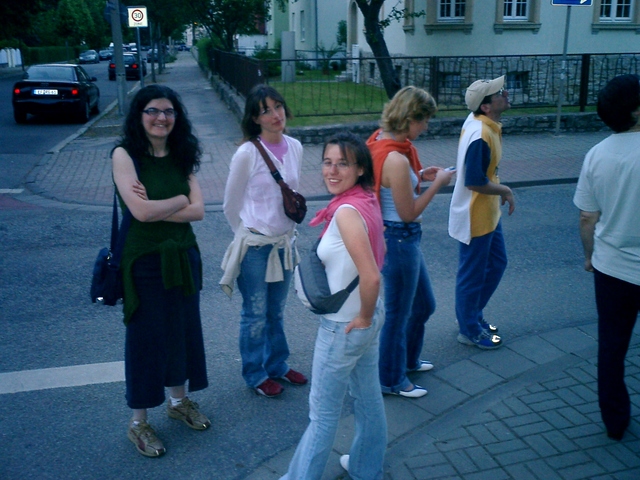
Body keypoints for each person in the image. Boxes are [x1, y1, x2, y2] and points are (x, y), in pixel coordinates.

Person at [111, 84, 210, 458]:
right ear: (139, 115)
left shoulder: (182, 152)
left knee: (182, 331)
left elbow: (199, 211)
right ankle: (138, 422)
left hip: (183, 257)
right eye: (152, 110)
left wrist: (162, 206)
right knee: (145, 341)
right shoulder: (125, 155)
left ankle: (178, 402)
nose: (161, 118)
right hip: (144, 262)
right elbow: (140, 212)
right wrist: (181, 198)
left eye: (168, 111)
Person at [282, 132, 387, 480]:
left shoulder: (346, 212)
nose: (332, 170)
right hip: (365, 319)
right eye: (327, 162)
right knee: (368, 400)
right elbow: (378, 258)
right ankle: (365, 469)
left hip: (345, 326)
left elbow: (371, 276)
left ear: (360, 168)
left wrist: (363, 318)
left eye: (343, 163)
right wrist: (368, 318)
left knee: (323, 416)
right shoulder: (366, 199)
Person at [366, 86, 455, 398]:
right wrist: (438, 184)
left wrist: (420, 174)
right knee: (398, 314)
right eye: (424, 120)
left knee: (423, 305)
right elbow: (408, 212)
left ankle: (407, 361)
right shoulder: (395, 158)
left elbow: (395, 184)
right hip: (399, 239)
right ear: (410, 119)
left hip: (400, 239)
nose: (426, 127)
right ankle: (391, 379)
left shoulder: (382, 140)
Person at [220, 84, 307, 398]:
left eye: (278, 106)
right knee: (255, 314)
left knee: (276, 312)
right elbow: (230, 204)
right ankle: (255, 374)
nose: (275, 115)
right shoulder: (247, 153)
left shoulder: (295, 146)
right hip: (255, 248)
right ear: (254, 119)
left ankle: (277, 365)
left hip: (284, 244)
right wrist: (248, 234)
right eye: (265, 111)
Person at [573, 74, 640, 441]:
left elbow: (587, 217)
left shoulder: (597, 154)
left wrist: (590, 257)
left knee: (612, 347)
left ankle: (615, 421)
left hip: (611, 269)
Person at [448, 75, 515, 350]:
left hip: (487, 212)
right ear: (485, 107)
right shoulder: (480, 134)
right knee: (472, 275)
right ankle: (469, 330)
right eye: (500, 93)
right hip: (474, 214)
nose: (506, 93)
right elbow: (474, 181)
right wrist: (505, 190)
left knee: (497, 263)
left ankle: (472, 315)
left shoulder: (484, 123)